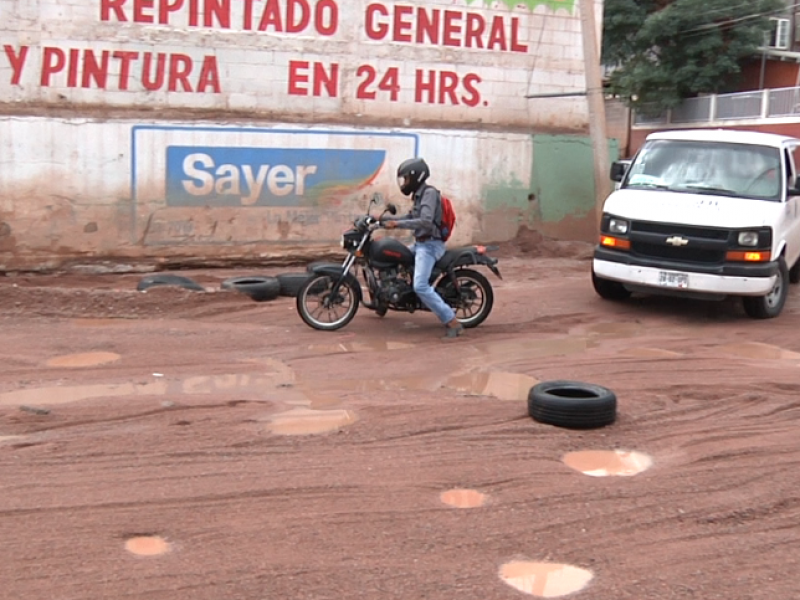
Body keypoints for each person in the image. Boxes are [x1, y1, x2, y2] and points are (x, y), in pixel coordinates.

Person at [382, 157, 464, 339]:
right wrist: (381, 220)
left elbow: (426, 222)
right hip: (420, 244)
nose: (405, 183)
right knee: (393, 258)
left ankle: (452, 321)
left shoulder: (429, 194)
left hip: (430, 246)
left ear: (416, 176)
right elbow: (409, 216)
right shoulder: (419, 195)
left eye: (406, 179)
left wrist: (396, 224)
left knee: (420, 286)